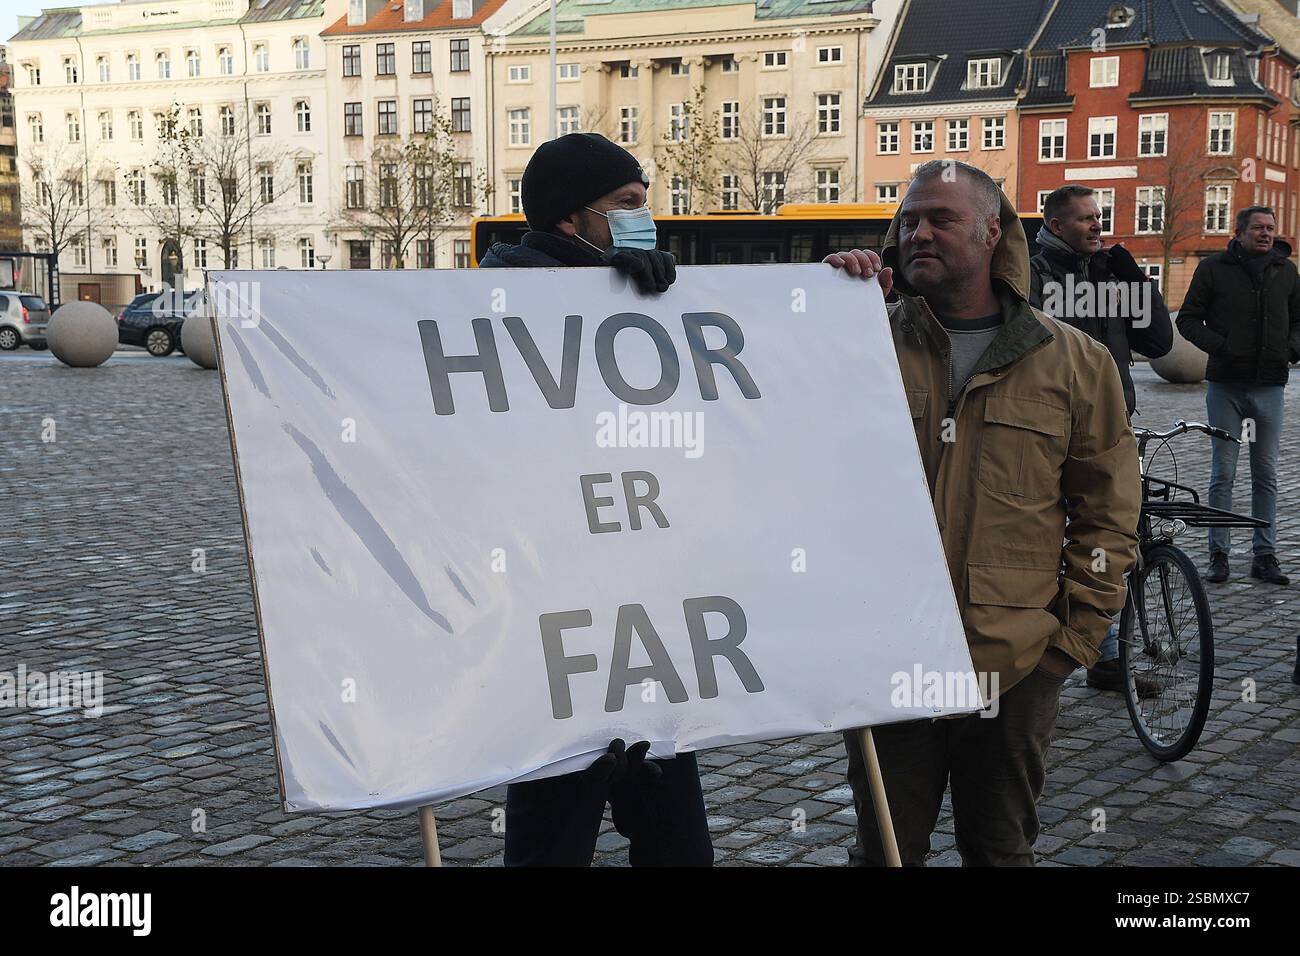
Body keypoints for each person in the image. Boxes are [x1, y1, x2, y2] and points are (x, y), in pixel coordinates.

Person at [824, 160, 1140, 866]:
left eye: (942, 218)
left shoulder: (1076, 363)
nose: (919, 233)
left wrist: (1071, 644)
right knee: (883, 854)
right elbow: (788, 455)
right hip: (888, 658)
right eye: (908, 220)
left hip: (1017, 662)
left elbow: (1108, 514)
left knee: (999, 852)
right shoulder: (858, 345)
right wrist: (832, 317)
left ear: (993, 232)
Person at [479, 132, 712, 867]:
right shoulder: (497, 305)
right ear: (572, 221)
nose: (647, 220)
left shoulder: (644, 293)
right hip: (559, 640)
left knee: (681, 852)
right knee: (551, 851)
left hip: (647, 636)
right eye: (629, 205)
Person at [1029, 184, 1172, 695]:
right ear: (1057, 224)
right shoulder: (1035, 274)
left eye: (1099, 217)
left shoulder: (1111, 275)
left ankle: (1108, 657)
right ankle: (1035, 655)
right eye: (1086, 218)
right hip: (1049, 428)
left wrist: (1136, 279)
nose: (1097, 226)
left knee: (1111, 538)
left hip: (1111, 428)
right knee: (1047, 539)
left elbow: (1158, 342)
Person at [1177, 205, 1300, 586]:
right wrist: (1223, 347)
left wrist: (1290, 350)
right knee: (1223, 472)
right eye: (1258, 228)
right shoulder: (1214, 268)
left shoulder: (1287, 271)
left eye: (1270, 228)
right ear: (1240, 232)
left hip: (1269, 388)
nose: (1266, 234)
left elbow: (1299, 321)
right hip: (1226, 388)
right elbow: (1187, 319)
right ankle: (1219, 554)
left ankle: (1265, 555)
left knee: (1266, 473)